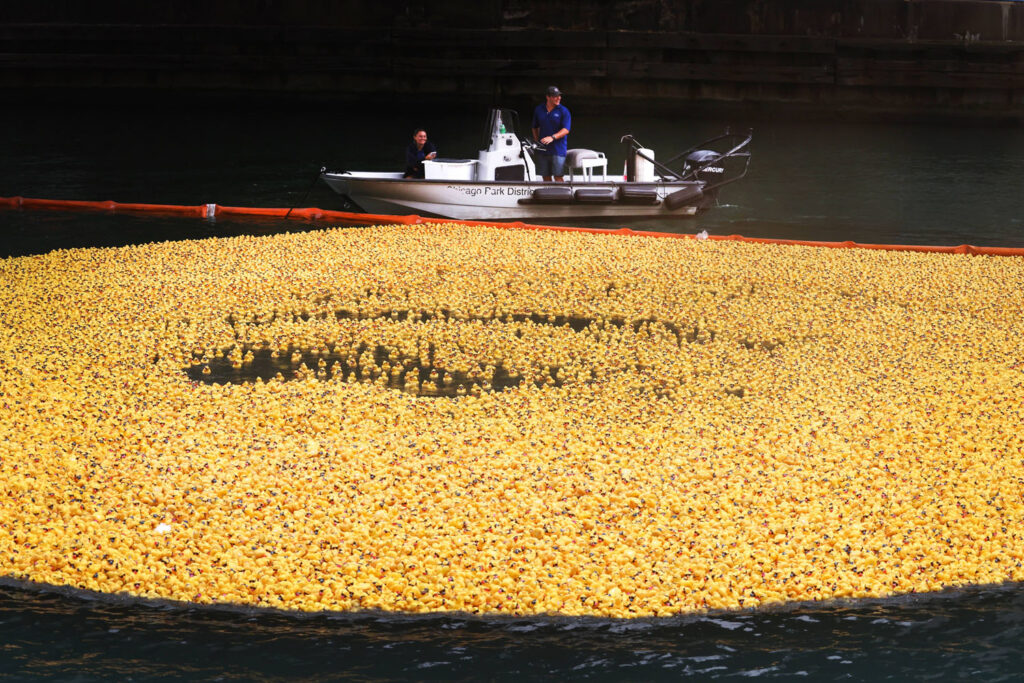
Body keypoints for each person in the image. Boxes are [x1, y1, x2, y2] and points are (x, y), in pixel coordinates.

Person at [531, 86, 572, 181]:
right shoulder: (539, 109)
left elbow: (566, 129)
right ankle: (548, 196)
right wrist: (537, 142)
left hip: (558, 149)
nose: (559, 98)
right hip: (543, 149)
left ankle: (562, 195)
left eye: (559, 96)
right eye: (555, 96)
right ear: (548, 97)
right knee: (545, 176)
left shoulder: (563, 111)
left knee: (558, 176)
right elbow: (534, 127)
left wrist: (552, 137)